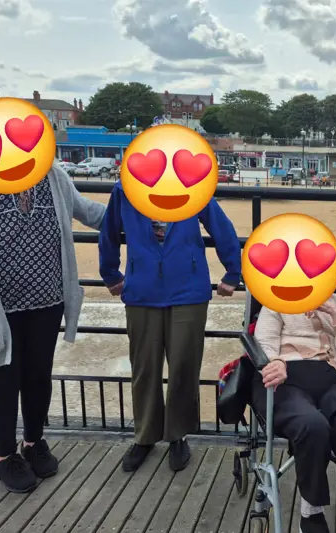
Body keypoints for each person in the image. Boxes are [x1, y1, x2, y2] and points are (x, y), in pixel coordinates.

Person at [0, 163, 105, 493]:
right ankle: (4, 455)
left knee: (39, 376)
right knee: (3, 380)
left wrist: (143, 211)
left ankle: (33, 442)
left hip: (48, 301)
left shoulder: (51, 173)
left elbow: (89, 211)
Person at [98, 182, 241, 473]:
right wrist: (110, 273)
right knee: (144, 368)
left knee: (184, 367)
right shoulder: (125, 189)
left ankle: (178, 435)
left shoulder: (194, 186)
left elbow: (221, 227)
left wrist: (232, 271)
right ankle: (145, 436)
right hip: (141, 292)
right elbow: (109, 232)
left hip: (189, 291)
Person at [253, 292, 336, 533]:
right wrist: (274, 361)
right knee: (312, 425)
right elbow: (264, 342)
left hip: (334, 375)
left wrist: (335, 317)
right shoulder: (277, 301)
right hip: (287, 377)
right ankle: (311, 509)